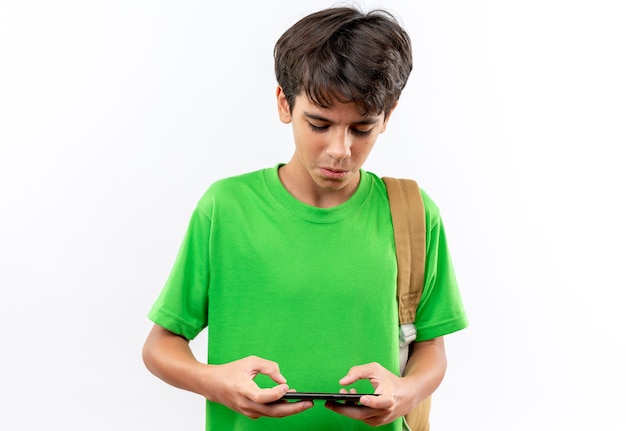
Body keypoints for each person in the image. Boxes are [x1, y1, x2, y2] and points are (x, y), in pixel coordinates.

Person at [142, 6, 468, 431]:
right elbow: (159, 346)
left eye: (362, 129)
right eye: (319, 123)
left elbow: (431, 349)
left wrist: (405, 393)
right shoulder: (225, 207)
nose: (339, 149)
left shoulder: (412, 212)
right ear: (284, 103)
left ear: (388, 115)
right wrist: (216, 382)